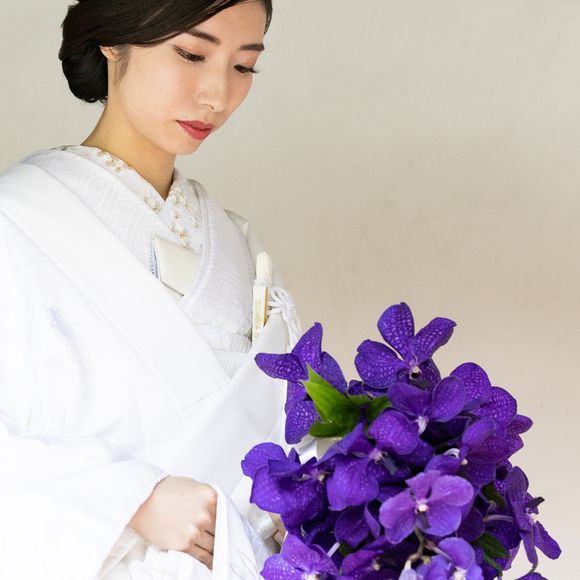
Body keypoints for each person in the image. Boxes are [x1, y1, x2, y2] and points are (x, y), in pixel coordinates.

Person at [0, 1, 300, 578]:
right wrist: (133, 498)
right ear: (113, 42)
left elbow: (292, 424)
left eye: (244, 67)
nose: (218, 95)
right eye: (191, 54)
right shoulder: (15, 221)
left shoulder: (238, 244)